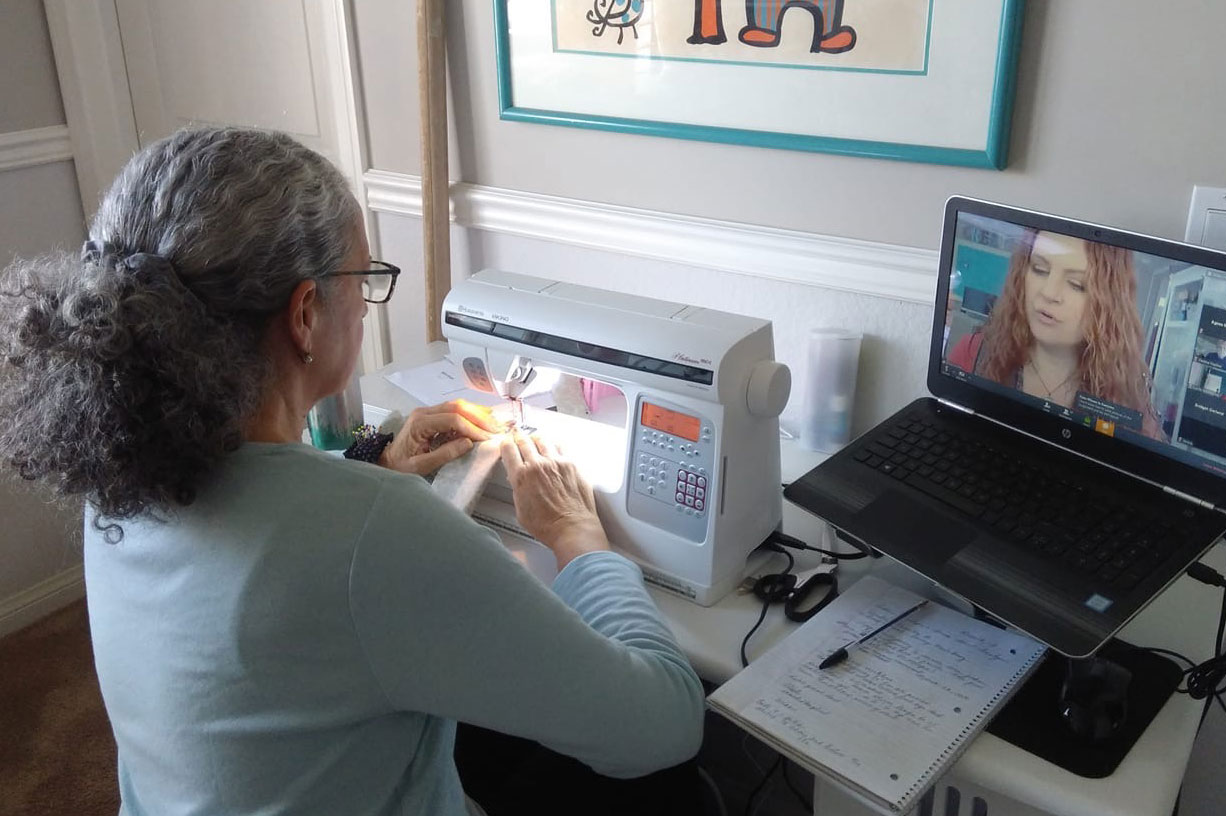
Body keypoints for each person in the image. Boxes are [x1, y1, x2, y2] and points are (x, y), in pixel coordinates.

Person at [0, 127, 704, 816]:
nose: (365, 306)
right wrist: (580, 539)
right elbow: (662, 725)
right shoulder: (377, 531)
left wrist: (375, 451)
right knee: (671, 787)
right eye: (364, 282)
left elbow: (283, 502)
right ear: (305, 313)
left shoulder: (121, 467)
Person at [946, 229, 1167, 441]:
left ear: (1108, 305)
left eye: (1077, 285)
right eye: (1040, 270)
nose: (1049, 292)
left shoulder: (1129, 397)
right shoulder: (973, 352)